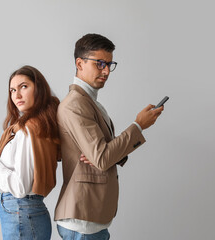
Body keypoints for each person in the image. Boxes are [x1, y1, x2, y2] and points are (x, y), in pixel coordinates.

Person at [54, 33, 164, 239]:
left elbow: (102, 156)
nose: (106, 71)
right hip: (82, 220)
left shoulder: (92, 104)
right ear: (80, 63)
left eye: (109, 64)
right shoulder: (75, 104)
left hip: (91, 216)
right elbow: (102, 158)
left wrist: (107, 154)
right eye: (100, 63)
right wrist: (138, 126)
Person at [0, 65, 60, 240]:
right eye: (12, 90)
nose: (17, 95)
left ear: (38, 89)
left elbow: (19, 187)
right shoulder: (36, 126)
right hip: (24, 213)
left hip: (21, 211)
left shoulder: (27, 130)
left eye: (24, 86)